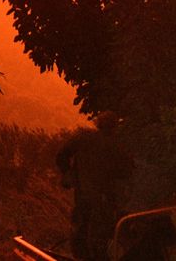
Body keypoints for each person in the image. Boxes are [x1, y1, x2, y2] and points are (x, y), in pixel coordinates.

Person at [57, 112, 132, 261]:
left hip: (83, 195)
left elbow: (61, 155)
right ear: (114, 127)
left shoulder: (83, 138)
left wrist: (67, 173)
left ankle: (81, 257)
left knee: (81, 232)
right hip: (103, 199)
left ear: (98, 124)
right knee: (99, 237)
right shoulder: (116, 145)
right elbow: (126, 172)